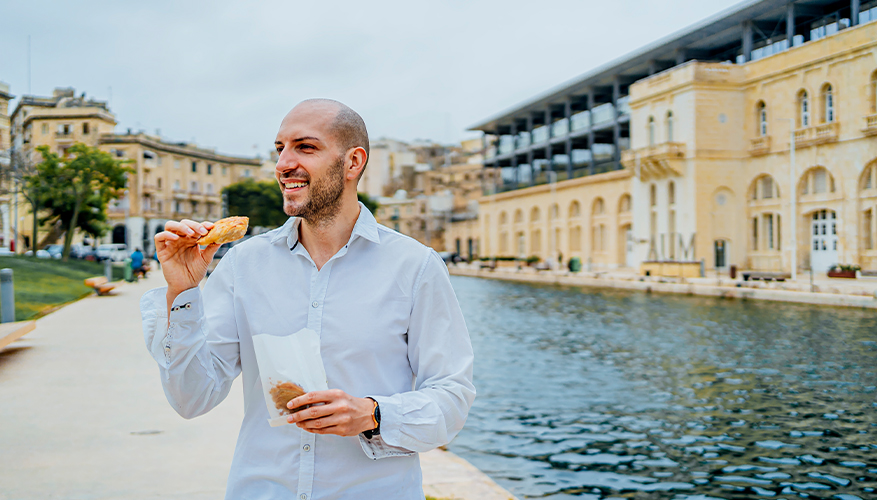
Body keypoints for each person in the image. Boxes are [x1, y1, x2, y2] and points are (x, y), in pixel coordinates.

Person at [141, 99, 475, 499]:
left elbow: (452, 397)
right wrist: (182, 293)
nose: (284, 163)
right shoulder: (243, 265)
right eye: (279, 148)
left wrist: (373, 413)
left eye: (305, 147)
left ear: (353, 162)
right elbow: (192, 398)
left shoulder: (415, 266)